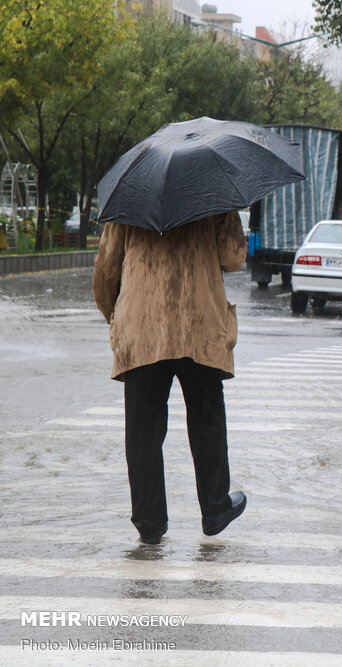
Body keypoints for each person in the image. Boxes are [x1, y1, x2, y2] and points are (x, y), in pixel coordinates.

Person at [93, 211, 248, 544]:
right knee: (207, 418)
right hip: (199, 321)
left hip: (143, 325)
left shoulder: (132, 198)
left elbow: (106, 268)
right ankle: (216, 508)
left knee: (143, 429)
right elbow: (234, 258)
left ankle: (149, 523)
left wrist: (116, 315)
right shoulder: (212, 196)